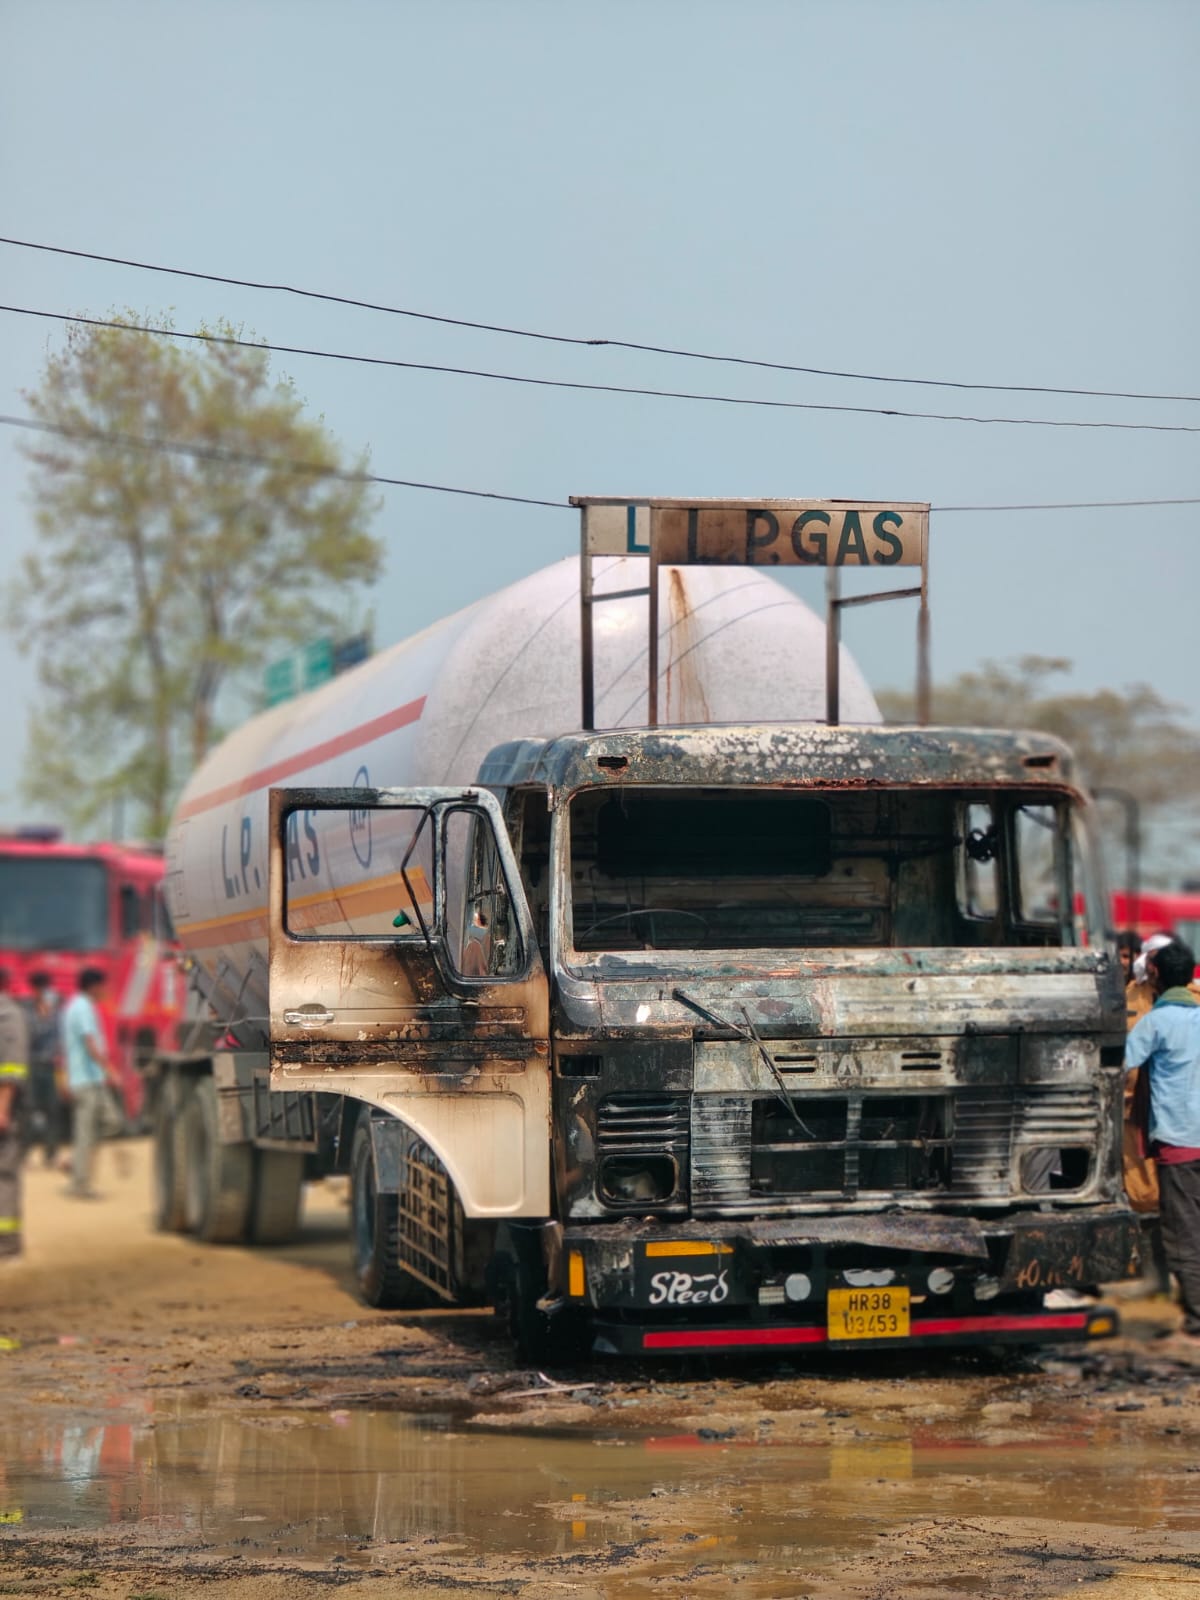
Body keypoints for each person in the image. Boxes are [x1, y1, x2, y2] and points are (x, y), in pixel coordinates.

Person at [1125, 937, 1200, 1352]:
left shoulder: (1155, 1022)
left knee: (1184, 1234)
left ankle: (1197, 1317)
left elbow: (1121, 1064)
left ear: (1154, 974)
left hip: (1179, 1141)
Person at [60, 968, 121, 1200]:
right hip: (86, 1080)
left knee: (109, 1122)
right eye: (102, 986)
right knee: (87, 1132)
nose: (104, 990)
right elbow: (90, 1042)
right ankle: (80, 1184)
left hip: (90, 1079)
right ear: (93, 986)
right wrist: (110, 1070)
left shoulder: (77, 1006)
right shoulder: (83, 1008)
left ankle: (75, 1161)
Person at [0, 968, 30, 1261]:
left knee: (4, 1173)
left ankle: (8, 1240)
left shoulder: (9, 1015)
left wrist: (3, 1107)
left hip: (4, 1106)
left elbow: (13, 1067)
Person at [23, 972, 66, 1166]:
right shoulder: (28, 1011)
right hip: (32, 1065)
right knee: (29, 1110)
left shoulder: (56, 1010)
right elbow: (30, 1036)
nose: (43, 992)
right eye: (40, 989)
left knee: (53, 1110)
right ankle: (25, 1153)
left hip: (50, 1066)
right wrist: (43, 1017)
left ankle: (51, 1153)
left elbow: (59, 1036)